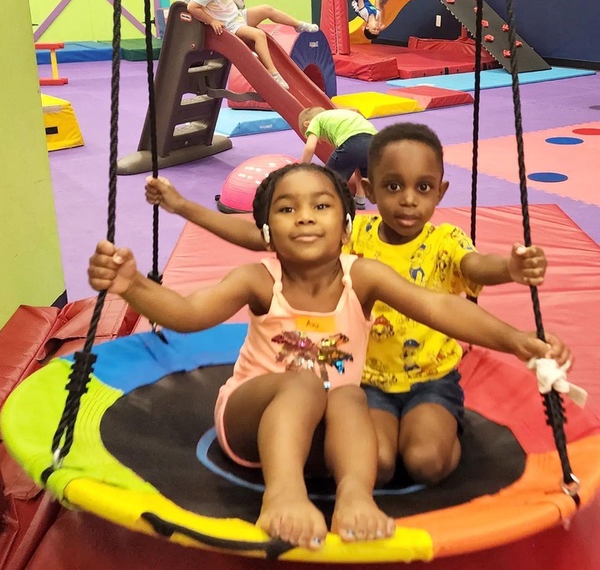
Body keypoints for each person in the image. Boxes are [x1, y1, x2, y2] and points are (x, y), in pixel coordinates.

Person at [145, 123, 556, 488]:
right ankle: (293, 491)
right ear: (369, 191)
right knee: (340, 422)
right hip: (318, 395)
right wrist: (181, 213)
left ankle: (392, 465)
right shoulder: (309, 255)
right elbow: (213, 286)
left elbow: (444, 302)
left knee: (401, 453)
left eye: (320, 207)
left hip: (403, 384)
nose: (306, 219)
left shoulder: (397, 259)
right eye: (393, 187)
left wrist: (514, 316)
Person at [187, 0, 319, 90]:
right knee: (259, 35)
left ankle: (298, 25)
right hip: (231, 26)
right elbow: (192, 7)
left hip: (238, 16)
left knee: (266, 9)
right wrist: (212, 21)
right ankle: (273, 72)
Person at [299, 106, 377, 209]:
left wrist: (300, 170)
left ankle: (327, 206)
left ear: (307, 124)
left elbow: (310, 148)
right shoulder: (342, 114)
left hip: (352, 142)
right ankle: (360, 201)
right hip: (375, 144)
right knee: (361, 171)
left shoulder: (316, 120)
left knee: (328, 179)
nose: (320, 141)